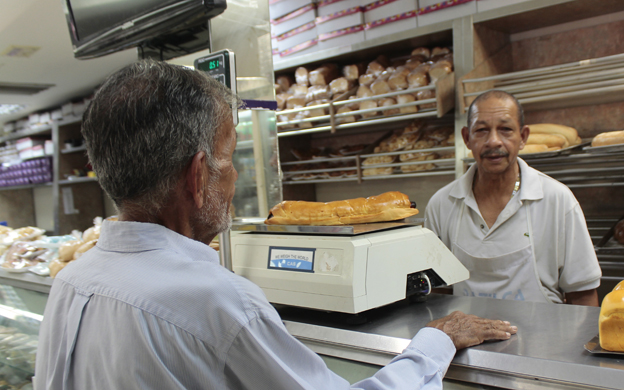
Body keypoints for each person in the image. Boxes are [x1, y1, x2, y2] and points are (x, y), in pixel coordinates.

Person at [34, 61, 516, 390]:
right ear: (198, 176)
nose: (236, 175)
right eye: (228, 158)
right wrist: (437, 340)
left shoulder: (71, 283)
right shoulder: (218, 301)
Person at [425, 90, 601, 306]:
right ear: (467, 138)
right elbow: (438, 292)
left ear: (523, 137)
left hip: (544, 336)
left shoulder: (558, 200)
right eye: (481, 130)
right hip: (466, 338)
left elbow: (582, 294)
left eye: (506, 129)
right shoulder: (441, 205)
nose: (493, 141)